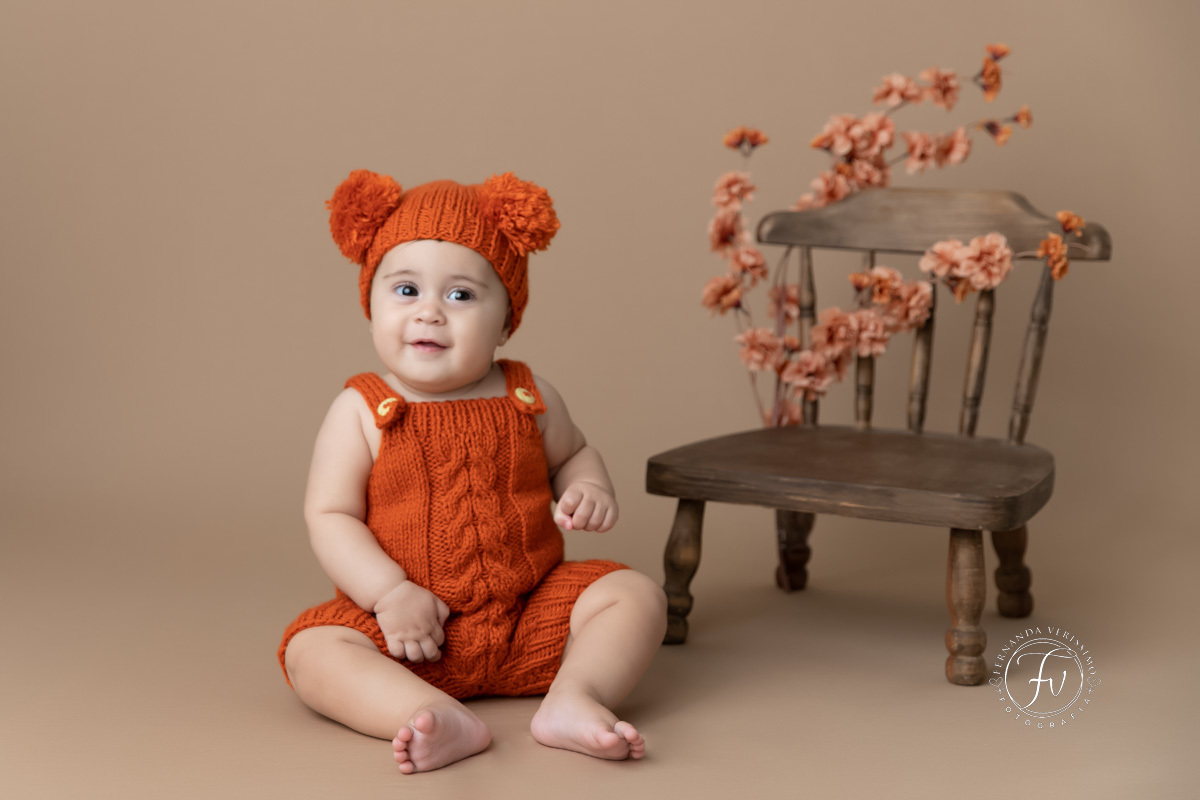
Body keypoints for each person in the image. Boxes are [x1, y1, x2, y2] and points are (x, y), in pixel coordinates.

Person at [278, 170, 667, 774]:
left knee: (635, 594)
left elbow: (573, 454)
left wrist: (588, 486)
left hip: (530, 617)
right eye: (406, 290)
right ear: (370, 304)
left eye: (460, 296)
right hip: (410, 635)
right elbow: (329, 515)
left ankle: (574, 695)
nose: (429, 313)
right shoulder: (362, 409)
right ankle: (426, 711)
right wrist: (388, 593)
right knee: (312, 649)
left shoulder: (530, 396)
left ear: (507, 320)